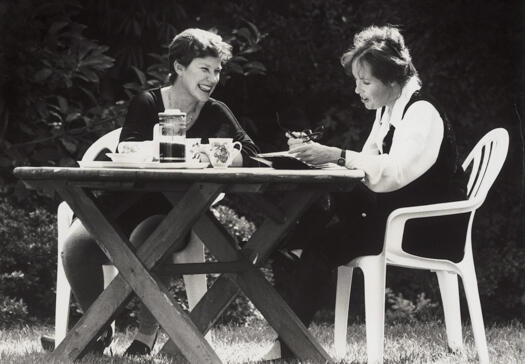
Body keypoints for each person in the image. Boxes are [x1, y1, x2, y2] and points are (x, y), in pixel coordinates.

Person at [263, 24, 467, 360]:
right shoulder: (390, 109)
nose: (358, 89)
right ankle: (287, 250)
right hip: (397, 215)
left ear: (392, 80)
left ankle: (284, 343)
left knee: (319, 243)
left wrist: (335, 155)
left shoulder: (421, 112)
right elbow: (367, 166)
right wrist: (316, 157)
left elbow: (393, 174)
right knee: (318, 215)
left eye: (365, 82)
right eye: (357, 81)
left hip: (428, 226)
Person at [60, 28, 260, 356]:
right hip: (129, 200)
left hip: (176, 209)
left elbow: (253, 154)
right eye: (204, 69)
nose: (212, 78)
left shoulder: (216, 111)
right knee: (77, 244)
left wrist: (218, 154)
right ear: (180, 68)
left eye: (217, 71)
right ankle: (96, 329)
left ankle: (145, 335)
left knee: (146, 241)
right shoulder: (148, 102)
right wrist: (172, 149)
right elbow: (128, 148)